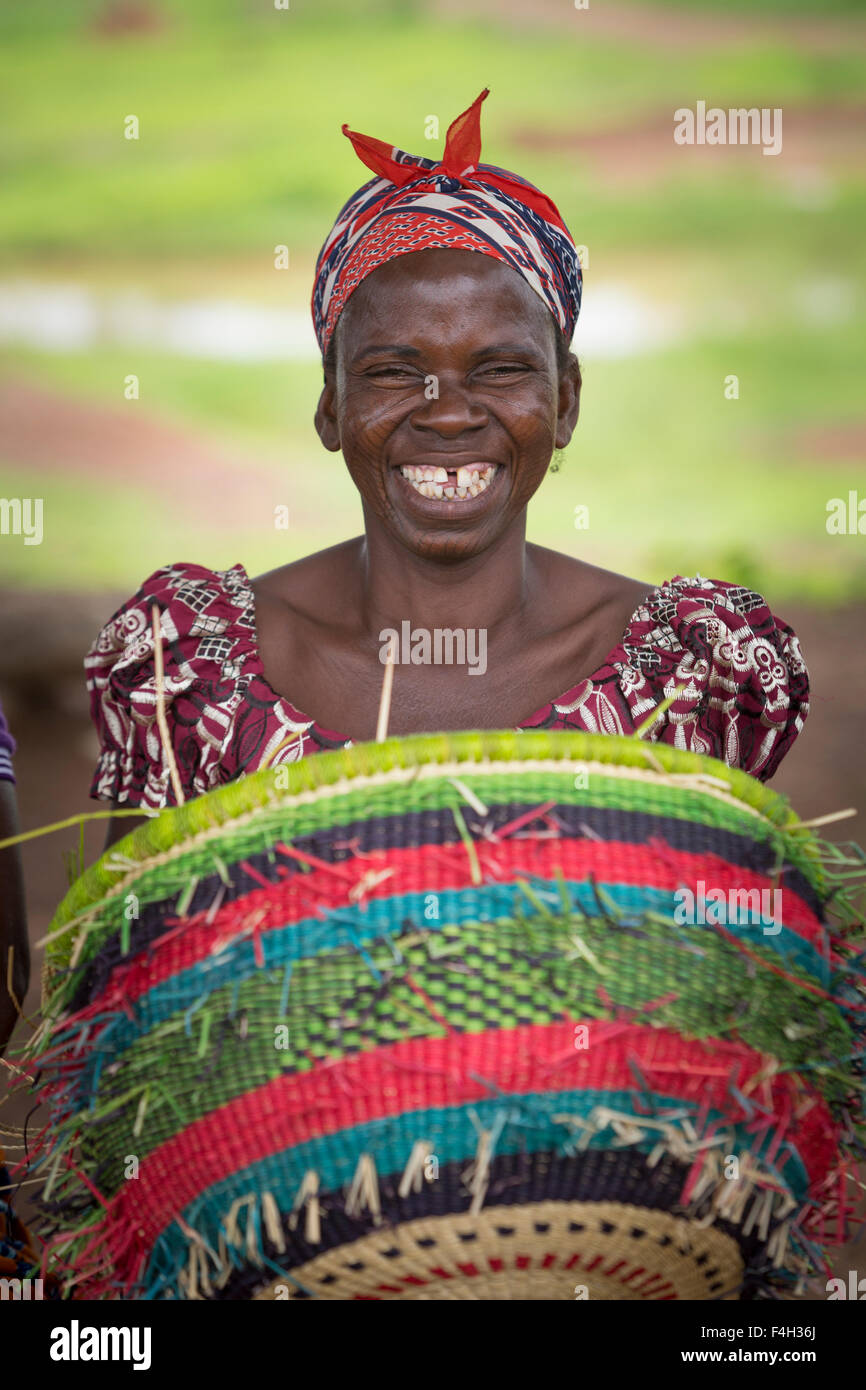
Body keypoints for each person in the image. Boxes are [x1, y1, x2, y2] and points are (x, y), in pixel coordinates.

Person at [88, 90, 809, 852]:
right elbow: (133, 958)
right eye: (396, 372)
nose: (448, 414)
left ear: (565, 402)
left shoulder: (679, 685)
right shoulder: (200, 679)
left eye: (500, 369)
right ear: (331, 406)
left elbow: (733, 954)